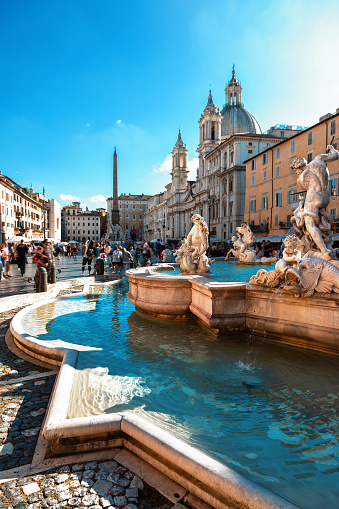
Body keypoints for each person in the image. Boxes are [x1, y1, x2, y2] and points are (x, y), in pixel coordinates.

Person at [291, 144, 339, 258]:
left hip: (313, 196)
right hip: (325, 196)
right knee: (316, 220)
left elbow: (304, 187)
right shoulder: (319, 159)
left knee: (309, 224)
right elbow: (336, 155)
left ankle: (324, 250)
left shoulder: (301, 178)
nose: (296, 173)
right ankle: (323, 244)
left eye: (296, 171)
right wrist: (332, 149)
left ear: (298, 168)